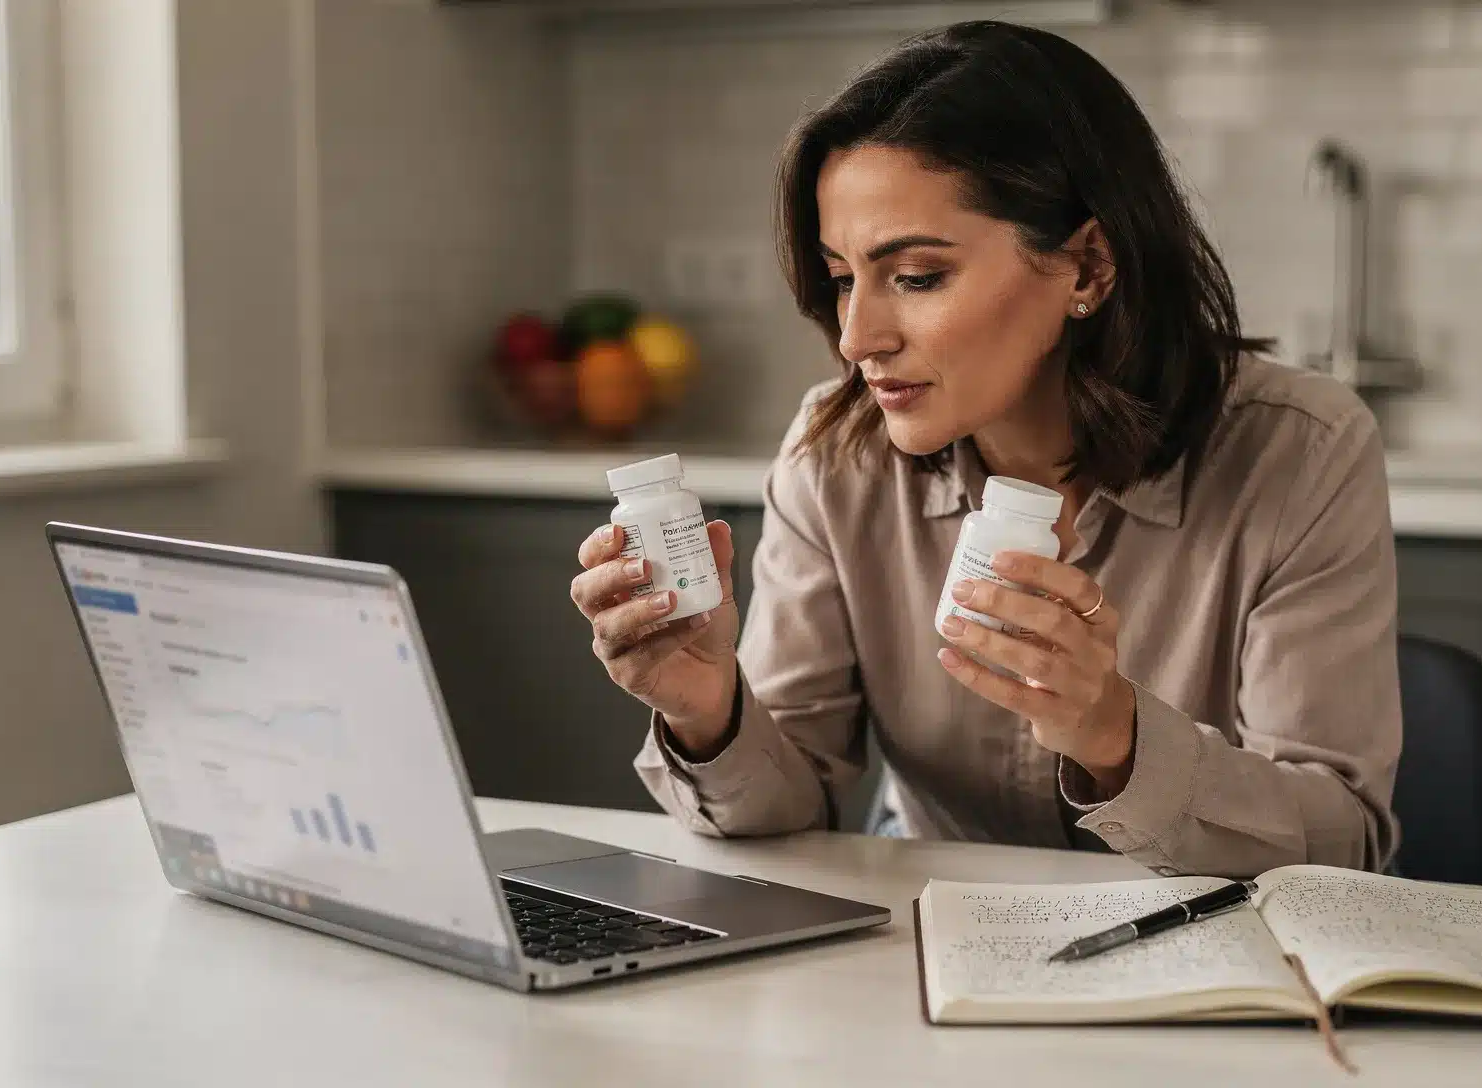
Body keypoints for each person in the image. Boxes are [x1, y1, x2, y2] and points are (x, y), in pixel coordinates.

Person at [568, 21, 1400, 877]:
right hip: (922, 963)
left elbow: (1343, 839)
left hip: (1207, 966)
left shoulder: (1302, 450)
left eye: (917, 277)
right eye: (843, 278)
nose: (856, 338)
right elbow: (791, 804)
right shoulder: (835, 455)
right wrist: (709, 713)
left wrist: (1114, 734)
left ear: (1087, 267)